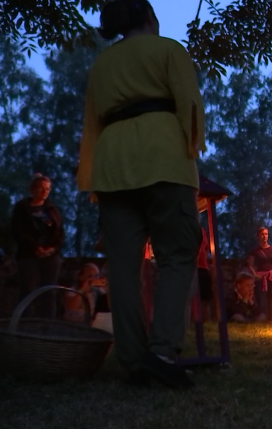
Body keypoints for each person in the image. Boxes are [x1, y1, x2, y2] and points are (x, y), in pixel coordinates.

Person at [77, 0, 206, 389]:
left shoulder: (103, 64)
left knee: (123, 267)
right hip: (163, 157)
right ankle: (162, 353)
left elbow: (92, 122)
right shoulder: (169, 50)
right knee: (178, 254)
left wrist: (92, 177)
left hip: (113, 164)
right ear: (150, 17)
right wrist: (191, 154)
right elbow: (191, 107)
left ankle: (133, 360)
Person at [12, 174, 64, 319]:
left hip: (51, 256)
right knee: (28, 290)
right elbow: (18, 231)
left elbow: (60, 232)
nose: (45, 191)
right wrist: (35, 247)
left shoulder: (52, 209)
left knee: (50, 291)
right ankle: (25, 326)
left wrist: (53, 249)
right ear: (33, 189)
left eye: (47, 189)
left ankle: (48, 326)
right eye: (41, 188)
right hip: (28, 255)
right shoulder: (22, 208)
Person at [246, 227, 272, 322]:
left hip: (271, 277)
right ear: (258, 236)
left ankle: (271, 319)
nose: (264, 236)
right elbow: (250, 264)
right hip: (260, 278)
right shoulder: (255, 251)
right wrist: (255, 275)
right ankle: (262, 318)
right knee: (261, 299)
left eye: (266, 234)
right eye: (262, 234)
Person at [195, 226, 213, 322]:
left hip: (204, 268)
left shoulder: (202, 230)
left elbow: (206, 248)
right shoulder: (187, 227)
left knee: (206, 299)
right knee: (194, 299)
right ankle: (196, 322)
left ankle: (207, 323)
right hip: (193, 268)